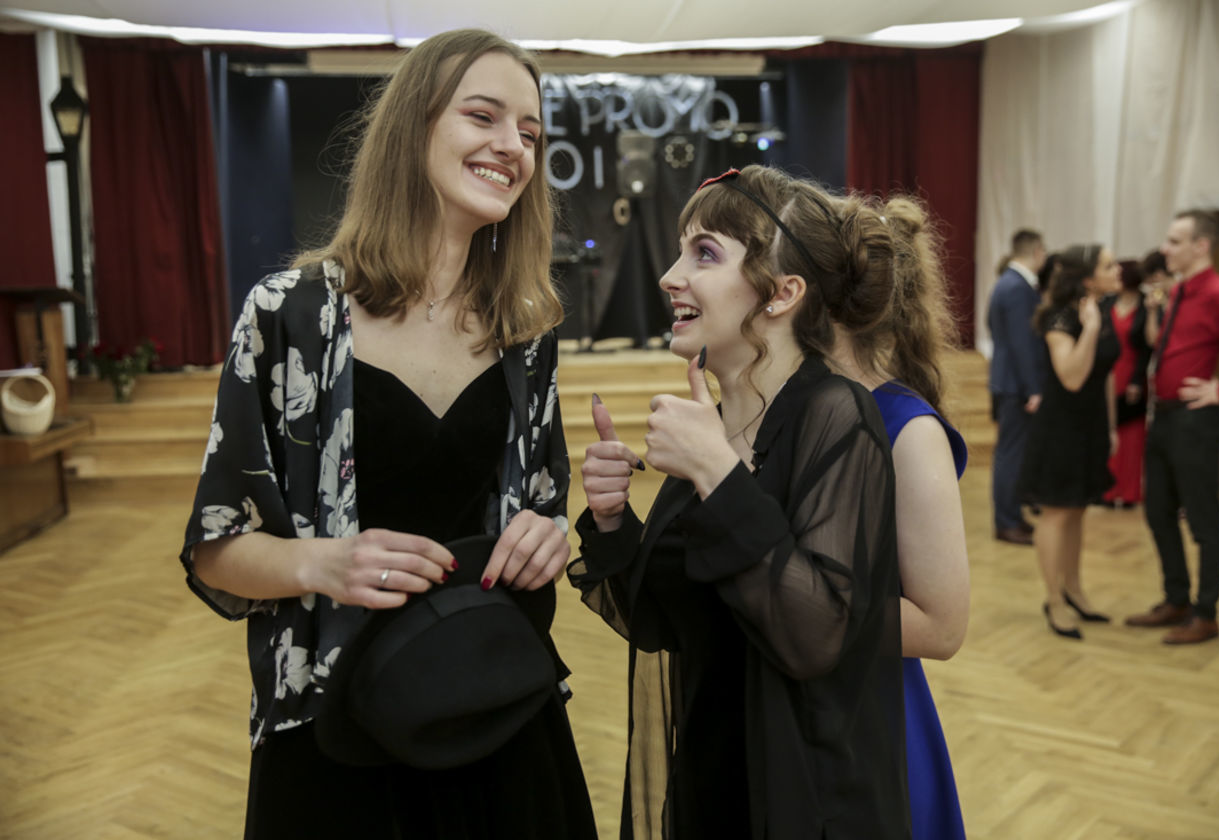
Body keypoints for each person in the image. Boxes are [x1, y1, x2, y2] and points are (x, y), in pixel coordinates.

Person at [179, 30, 597, 838]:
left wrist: (546, 536)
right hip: (336, 729)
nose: (513, 147)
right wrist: (321, 562)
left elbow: (542, 511)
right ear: (414, 127)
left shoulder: (526, 331)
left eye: (530, 133)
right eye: (484, 117)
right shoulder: (287, 315)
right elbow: (215, 549)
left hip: (495, 707)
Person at [570, 165, 908, 838]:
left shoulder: (837, 416)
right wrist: (612, 522)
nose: (669, 277)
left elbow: (814, 638)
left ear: (781, 293)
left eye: (704, 254)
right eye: (680, 252)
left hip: (807, 799)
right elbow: (664, 622)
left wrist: (718, 475)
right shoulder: (716, 425)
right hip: (713, 781)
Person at [827, 194, 969, 838]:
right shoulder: (804, 411)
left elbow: (942, 627)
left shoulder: (908, 428)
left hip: (872, 723)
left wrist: (789, 606)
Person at [1125, 210, 1219, 644]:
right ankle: (1177, 599)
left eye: (1175, 241)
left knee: (1202, 520)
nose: (1165, 249)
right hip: (1163, 417)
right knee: (1158, 512)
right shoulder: (1179, 290)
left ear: (1201, 246)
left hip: (1194, 421)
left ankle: (1206, 613)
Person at [1018, 244, 1121, 639]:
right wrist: (1091, 329)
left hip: (1091, 425)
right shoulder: (1060, 317)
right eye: (1109, 265)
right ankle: (1054, 599)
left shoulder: (1102, 309)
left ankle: (1075, 589)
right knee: (1057, 513)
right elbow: (1073, 377)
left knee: (1078, 510)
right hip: (1061, 429)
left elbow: (1105, 374)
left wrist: (1111, 427)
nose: (1118, 270)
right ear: (1088, 278)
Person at [987, 229, 1049, 545]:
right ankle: (1007, 521)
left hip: (1008, 381)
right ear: (1037, 251)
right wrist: (1033, 388)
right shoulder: (1017, 287)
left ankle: (1013, 516)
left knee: (1013, 453)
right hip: (1016, 384)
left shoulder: (1007, 283)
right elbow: (1022, 343)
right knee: (1010, 455)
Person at [1102, 258, 1154, 507]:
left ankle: (1129, 492)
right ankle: (1108, 491)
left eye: (1117, 273)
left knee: (1132, 436)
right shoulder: (1107, 302)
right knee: (1108, 429)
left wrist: (1136, 380)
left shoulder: (1146, 305)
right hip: (1108, 371)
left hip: (1133, 373)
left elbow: (1147, 348)